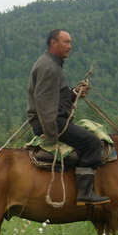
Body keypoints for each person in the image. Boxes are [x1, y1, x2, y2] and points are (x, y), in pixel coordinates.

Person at [26, 29, 110, 205]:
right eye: (66, 42)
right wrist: (51, 135)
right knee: (92, 143)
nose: (70, 46)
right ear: (53, 43)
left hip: (54, 121)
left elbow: (55, 100)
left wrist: (74, 93)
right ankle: (85, 194)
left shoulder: (51, 64)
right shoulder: (49, 67)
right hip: (54, 124)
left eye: (70, 42)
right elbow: (44, 104)